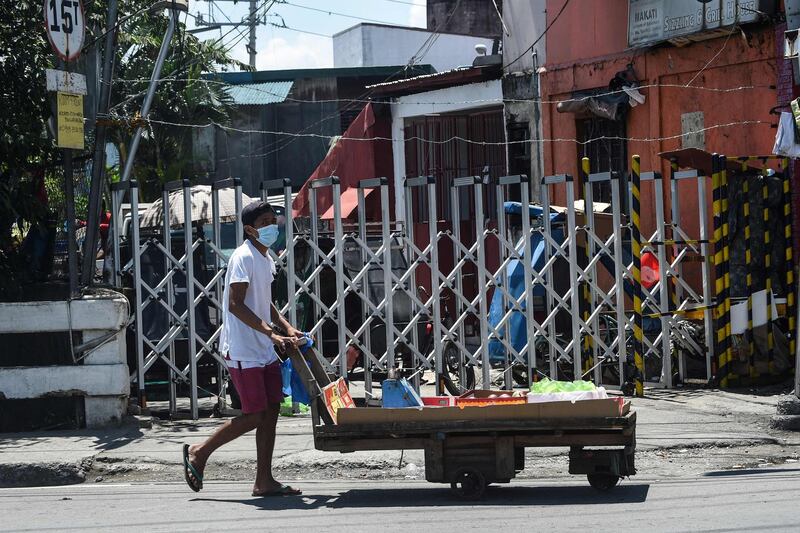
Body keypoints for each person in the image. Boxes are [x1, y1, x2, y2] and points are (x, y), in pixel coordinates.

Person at [183, 200, 304, 497]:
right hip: (243, 349)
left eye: (273, 221)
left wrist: (285, 327)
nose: (271, 227)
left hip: (263, 347)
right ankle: (200, 452)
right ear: (250, 229)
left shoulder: (266, 258)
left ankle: (264, 480)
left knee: (272, 411)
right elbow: (236, 305)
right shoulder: (243, 257)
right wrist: (271, 333)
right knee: (255, 414)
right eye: (264, 223)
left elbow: (265, 302)